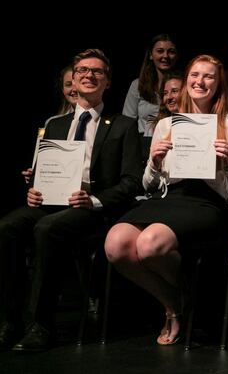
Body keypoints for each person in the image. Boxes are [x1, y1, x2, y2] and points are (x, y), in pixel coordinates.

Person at [104, 55, 228, 347]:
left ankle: (179, 306)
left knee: (150, 244)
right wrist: (155, 161)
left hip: (208, 202)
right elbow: (149, 184)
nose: (200, 81)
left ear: (218, 83)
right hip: (169, 197)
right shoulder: (166, 124)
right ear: (186, 82)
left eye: (208, 76)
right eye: (194, 75)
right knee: (116, 243)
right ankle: (176, 304)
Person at [0, 49, 142, 351]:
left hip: (92, 208)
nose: (89, 75)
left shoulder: (123, 126)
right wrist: (34, 189)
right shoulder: (54, 125)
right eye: (82, 71)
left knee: (46, 230)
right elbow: (42, 172)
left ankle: (41, 326)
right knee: (7, 227)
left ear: (107, 82)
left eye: (97, 72)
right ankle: (9, 322)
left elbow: (131, 181)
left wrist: (95, 200)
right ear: (73, 80)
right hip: (52, 203)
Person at [123, 34, 179, 142]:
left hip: (175, 141)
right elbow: (128, 121)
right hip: (142, 143)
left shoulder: (185, 84)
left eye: (171, 52)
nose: (165, 56)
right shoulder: (138, 85)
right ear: (151, 55)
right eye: (160, 51)